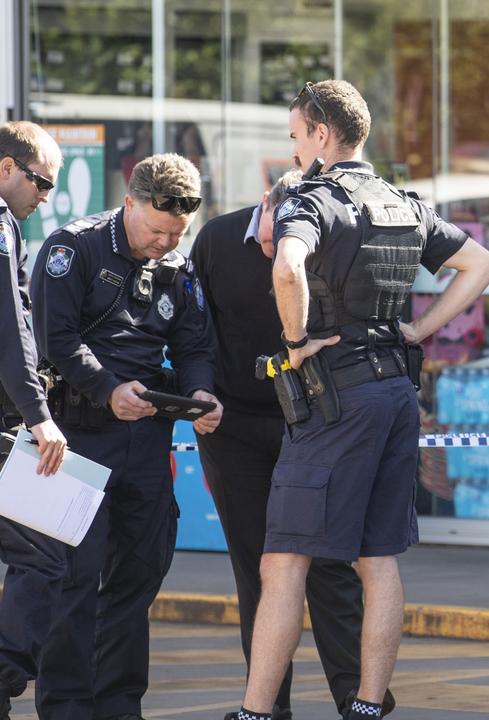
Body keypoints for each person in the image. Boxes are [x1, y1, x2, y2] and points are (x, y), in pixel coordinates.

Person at [229, 80, 489, 720]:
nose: (295, 150)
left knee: (284, 560)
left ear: (323, 134)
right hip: (396, 391)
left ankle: (255, 712)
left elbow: (286, 266)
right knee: (377, 560)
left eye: (297, 136)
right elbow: (482, 265)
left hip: (334, 398)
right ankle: (369, 707)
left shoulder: (313, 198)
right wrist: (420, 331)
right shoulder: (403, 202)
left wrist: (295, 344)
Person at [191, 170, 394, 719]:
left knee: (329, 564)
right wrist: (200, 392)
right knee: (259, 567)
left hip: (314, 420)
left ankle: (357, 698)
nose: (279, 249)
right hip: (233, 424)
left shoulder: (322, 241)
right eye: (272, 236)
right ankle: (267, 705)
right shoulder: (214, 240)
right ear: (265, 206)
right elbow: (195, 329)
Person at [30, 152, 223, 720]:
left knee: (137, 578)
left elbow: (195, 346)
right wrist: (107, 387)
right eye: (157, 230)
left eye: (177, 233)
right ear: (130, 201)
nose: (165, 243)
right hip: (78, 438)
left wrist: (201, 394)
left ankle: (118, 705)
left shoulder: (178, 267)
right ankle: (65, 706)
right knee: (75, 578)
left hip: (147, 440)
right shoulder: (75, 246)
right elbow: (55, 338)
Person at [0, 121, 70, 720]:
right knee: (44, 555)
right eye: (40, 180)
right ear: (6, 168)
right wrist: (39, 414)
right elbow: (10, 325)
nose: (44, 195)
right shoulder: (1, 223)